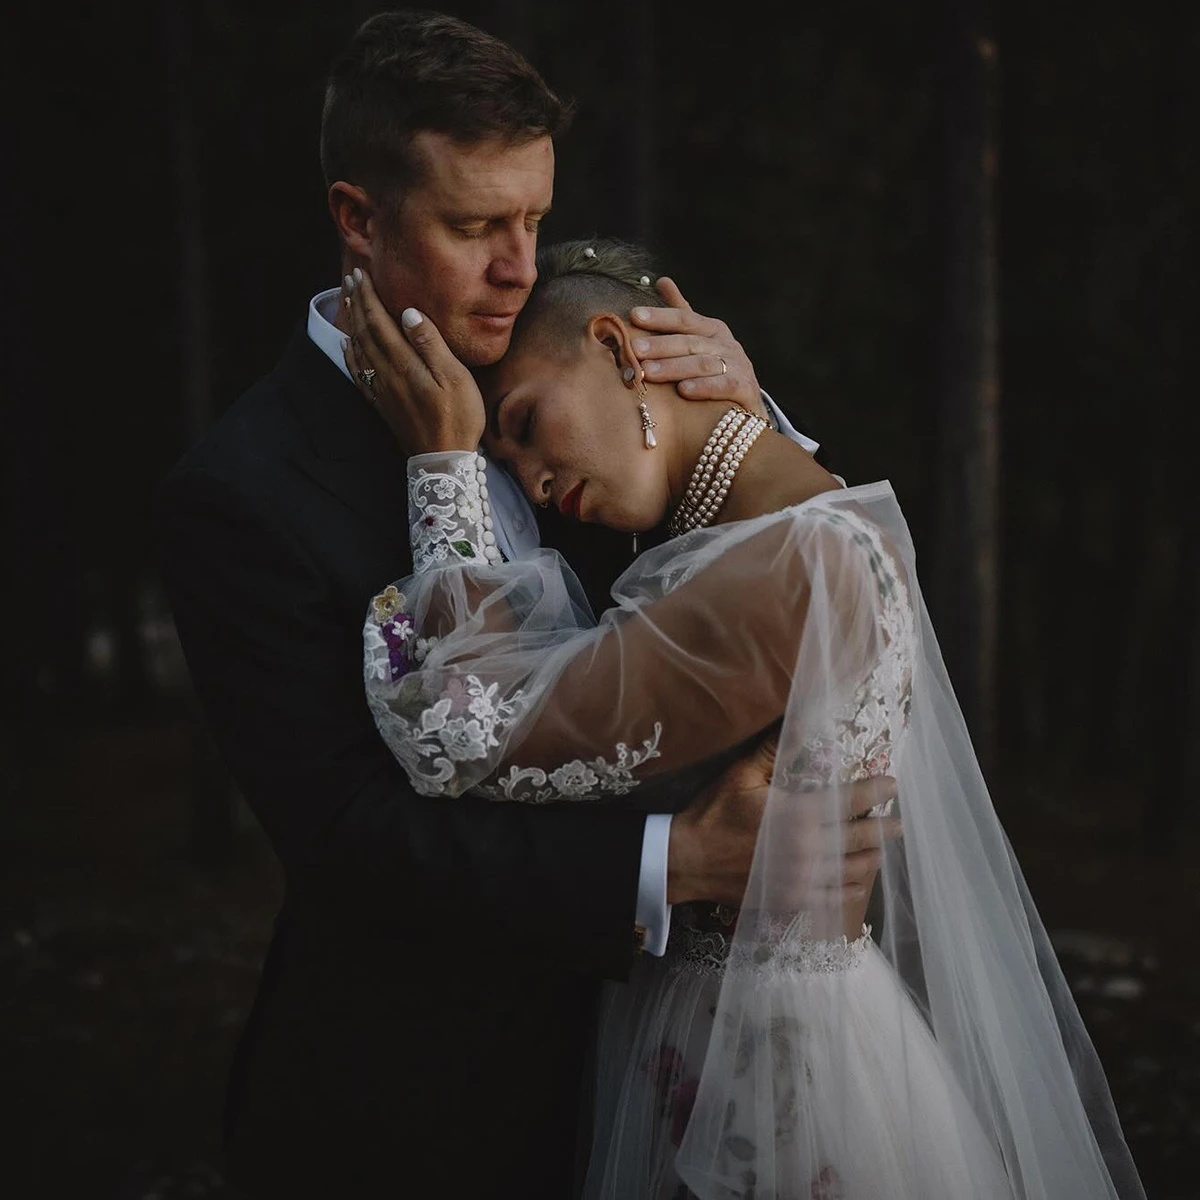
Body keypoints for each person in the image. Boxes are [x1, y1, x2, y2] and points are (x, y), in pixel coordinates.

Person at [154, 13, 893, 1197]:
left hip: (657, 1079)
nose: (517, 267)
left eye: (534, 220)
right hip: (417, 1111)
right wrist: (675, 862)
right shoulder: (242, 491)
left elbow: (776, 587)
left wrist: (738, 418)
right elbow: (351, 840)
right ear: (358, 218)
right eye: (473, 226)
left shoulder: (560, 368)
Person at [345, 238, 1147, 1199]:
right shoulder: (782, 530)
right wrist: (747, 411)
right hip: (716, 1033)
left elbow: (467, 731)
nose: (522, 477)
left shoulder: (794, 565)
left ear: (619, 347)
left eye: (521, 424)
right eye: (495, 458)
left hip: (773, 1076)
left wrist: (442, 466)